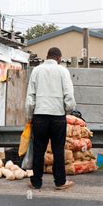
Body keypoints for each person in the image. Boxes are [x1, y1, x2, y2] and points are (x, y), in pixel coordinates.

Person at [25, 47, 76, 190]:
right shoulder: (63, 71)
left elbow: (30, 97)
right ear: (59, 58)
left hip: (40, 116)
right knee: (58, 149)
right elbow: (69, 96)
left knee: (39, 149)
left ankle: (36, 182)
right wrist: (67, 110)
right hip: (58, 116)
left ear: (47, 57)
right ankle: (60, 182)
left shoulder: (36, 71)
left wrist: (30, 116)